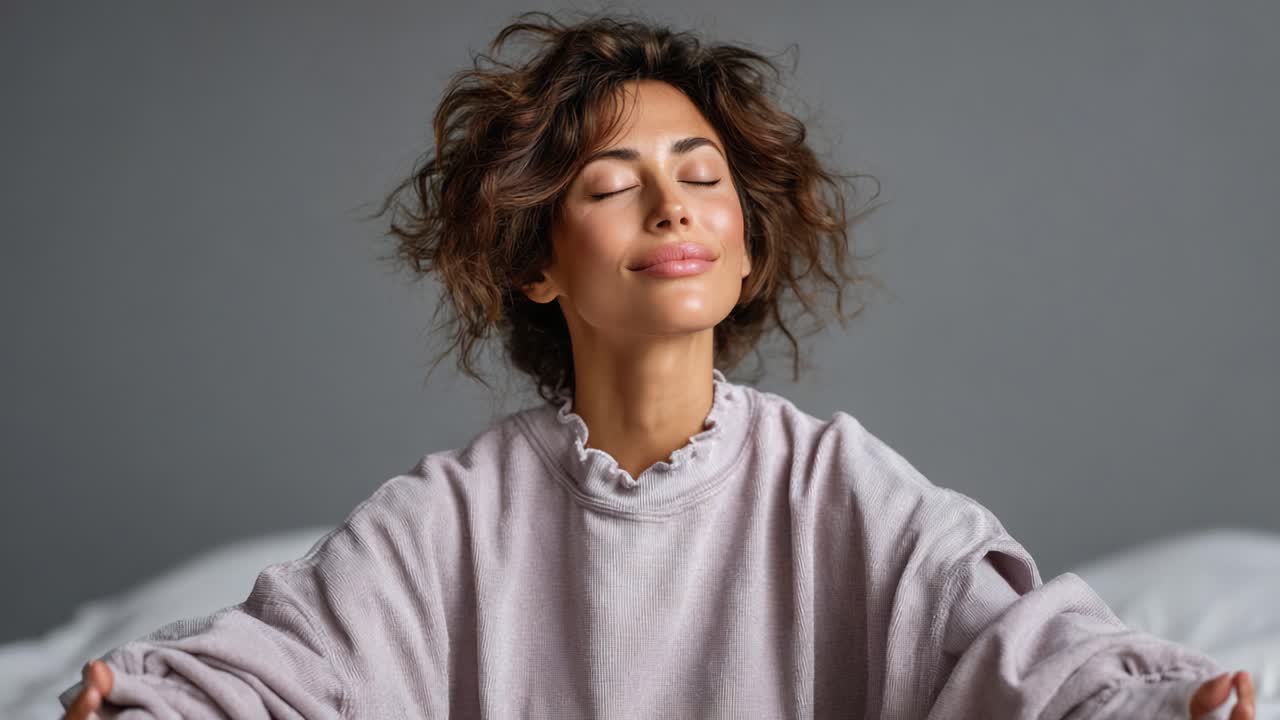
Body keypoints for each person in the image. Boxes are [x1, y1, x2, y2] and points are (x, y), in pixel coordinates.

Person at [61, 10, 1255, 719]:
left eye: (698, 178)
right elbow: (287, 670)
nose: (670, 209)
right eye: (609, 185)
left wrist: (1155, 703)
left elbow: (1013, 652)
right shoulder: (447, 521)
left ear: (743, 253)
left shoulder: (838, 488)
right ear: (534, 260)